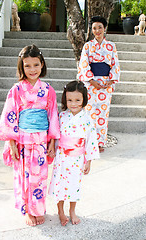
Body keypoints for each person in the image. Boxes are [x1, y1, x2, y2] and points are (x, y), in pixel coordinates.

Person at [0, 44, 60, 226]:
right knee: (23, 176)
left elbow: (53, 116)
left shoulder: (48, 90)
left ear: (42, 65)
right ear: (21, 67)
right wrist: (11, 143)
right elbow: (10, 115)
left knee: (39, 177)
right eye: (27, 66)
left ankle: (38, 209)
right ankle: (27, 210)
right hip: (22, 140)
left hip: (40, 140)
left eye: (36, 65)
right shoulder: (16, 90)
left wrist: (52, 142)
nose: (32, 70)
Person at [49, 81, 99, 226]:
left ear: (84, 99)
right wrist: (52, 146)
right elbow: (55, 134)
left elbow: (91, 141)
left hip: (77, 158)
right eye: (70, 100)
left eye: (78, 100)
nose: (74, 103)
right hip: (62, 156)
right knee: (59, 184)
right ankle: (60, 211)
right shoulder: (61, 116)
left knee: (73, 185)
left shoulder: (87, 119)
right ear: (65, 99)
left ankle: (72, 210)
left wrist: (88, 160)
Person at [78, 16, 120, 153]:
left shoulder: (111, 46)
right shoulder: (88, 46)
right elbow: (84, 64)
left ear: (104, 28)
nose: (97, 30)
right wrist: (90, 81)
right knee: (89, 112)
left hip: (106, 83)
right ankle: (89, 141)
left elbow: (115, 64)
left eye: (100, 27)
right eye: (94, 28)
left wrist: (111, 80)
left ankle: (100, 142)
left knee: (103, 113)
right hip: (91, 83)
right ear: (91, 30)